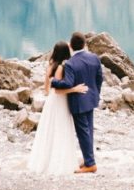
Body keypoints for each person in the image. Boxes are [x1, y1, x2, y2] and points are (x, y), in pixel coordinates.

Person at [27, 41, 90, 175]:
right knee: (61, 130)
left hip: (51, 102)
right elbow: (58, 91)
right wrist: (75, 89)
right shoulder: (61, 67)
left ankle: (47, 159)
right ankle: (58, 162)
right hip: (60, 102)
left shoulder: (51, 65)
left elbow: (46, 89)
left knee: (50, 130)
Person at [50, 31, 104, 173]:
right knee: (89, 131)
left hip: (78, 102)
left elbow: (68, 83)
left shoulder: (70, 64)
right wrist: (96, 93)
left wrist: (54, 82)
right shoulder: (94, 58)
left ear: (71, 46)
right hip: (91, 98)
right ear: (85, 44)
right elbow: (100, 78)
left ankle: (90, 164)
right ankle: (88, 160)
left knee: (83, 132)